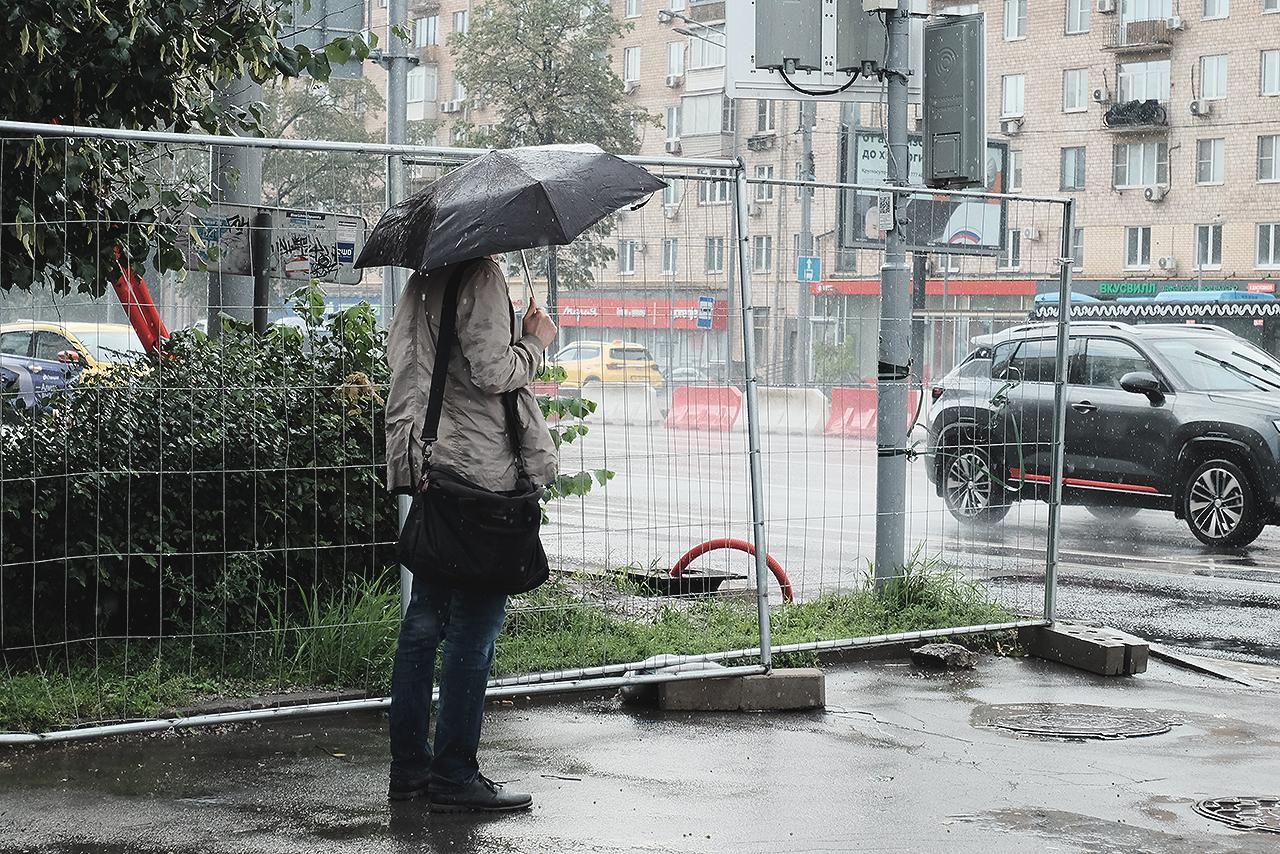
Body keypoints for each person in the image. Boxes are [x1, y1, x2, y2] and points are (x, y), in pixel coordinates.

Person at [383, 256, 559, 812]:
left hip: (432, 461)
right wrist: (534, 341)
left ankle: (410, 770)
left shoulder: (423, 278)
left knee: (423, 625)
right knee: (474, 627)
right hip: (479, 471)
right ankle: (454, 775)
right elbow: (490, 371)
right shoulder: (480, 277)